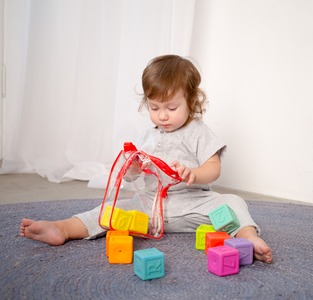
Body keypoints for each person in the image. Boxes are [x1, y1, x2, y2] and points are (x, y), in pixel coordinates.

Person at [20, 54, 273, 263]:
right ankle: (63, 228)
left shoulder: (198, 131)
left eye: (171, 108)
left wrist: (194, 173)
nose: (163, 116)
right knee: (110, 211)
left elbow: (213, 168)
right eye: (154, 108)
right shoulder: (144, 138)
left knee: (233, 201)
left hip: (194, 205)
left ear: (191, 101)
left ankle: (248, 236)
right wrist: (131, 170)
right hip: (149, 207)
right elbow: (131, 177)